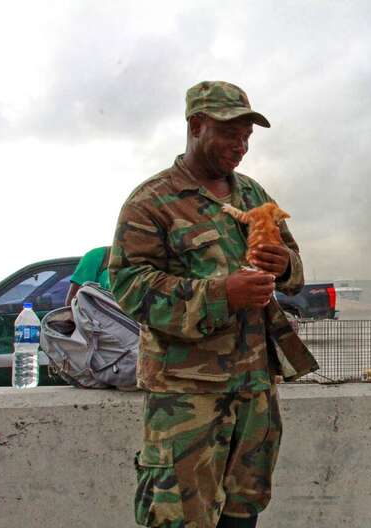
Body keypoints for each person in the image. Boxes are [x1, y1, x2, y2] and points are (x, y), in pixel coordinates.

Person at [109, 81, 319, 528]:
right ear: (196, 125)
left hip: (254, 390)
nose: (240, 146)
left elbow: (295, 272)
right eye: (229, 134)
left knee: (244, 511)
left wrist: (284, 265)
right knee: (179, 518)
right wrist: (221, 294)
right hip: (187, 398)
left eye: (246, 136)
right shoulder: (151, 202)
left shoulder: (254, 196)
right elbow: (130, 286)